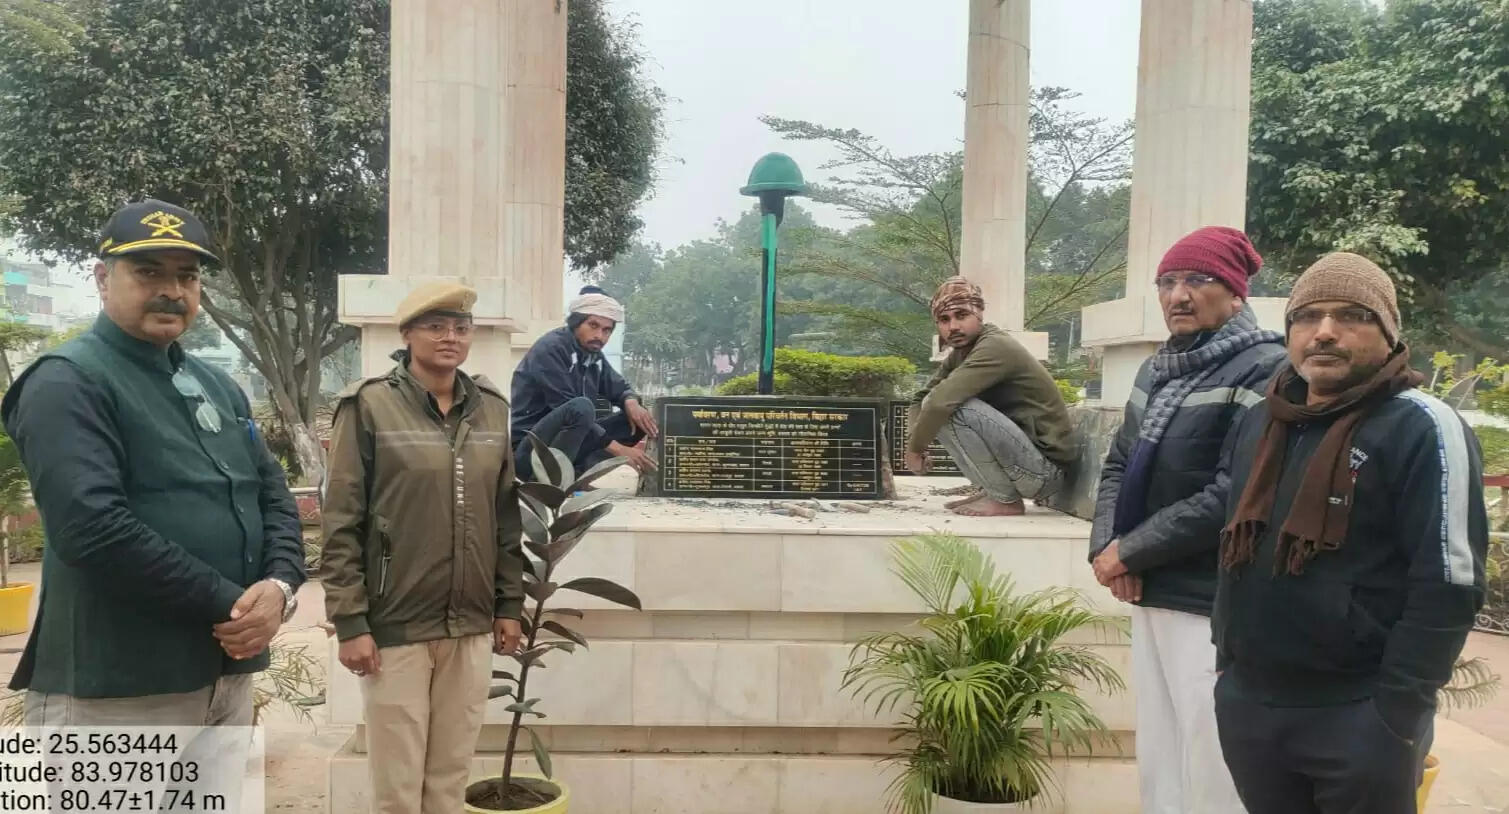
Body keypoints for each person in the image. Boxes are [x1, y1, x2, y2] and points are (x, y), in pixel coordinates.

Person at [0, 198, 306, 726]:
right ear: (102, 279)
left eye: (187, 276)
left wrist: (280, 587)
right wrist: (234, 606)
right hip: (117, 688)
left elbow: (271, 495)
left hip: (226, 677)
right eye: (148, 272)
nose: (172, 290)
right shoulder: (67, 380)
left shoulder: (218, 385)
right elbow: (91, 528)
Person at [1212, 252, 1489, 814]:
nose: (1324, 332)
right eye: (1306, 317)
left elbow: (1451, 581)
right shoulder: (1261, 422)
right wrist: (1228, 672)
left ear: (1389, 333)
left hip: (1359, 715)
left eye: (1352, 316)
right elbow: (1234, 544)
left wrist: (1396, 712)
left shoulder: (1421, 426)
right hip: (1252, 707)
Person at [1088, 226, 1285, 814]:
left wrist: (1131, 550)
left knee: (1211, 754)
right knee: (1161, 749)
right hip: (1149, 586)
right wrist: (1109, 549)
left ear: (1236, 294)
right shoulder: (1156, 369)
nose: (1179, 295)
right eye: (1167, 281)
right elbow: (1119, 462)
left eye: (1199, 280)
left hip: (1211, 598)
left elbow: (1236, 491)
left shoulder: (1266, 370)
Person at [320, 281, 526, 814]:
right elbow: (341, 520)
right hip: (396, 626)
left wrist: (509, 604)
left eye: (460, 328)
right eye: (435, 326)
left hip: (470, 624)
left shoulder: (492, 409)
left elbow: (505, 516)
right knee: (398, 786)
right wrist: (351, 621)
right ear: (407, 334)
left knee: (449, 780)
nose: (450, 337)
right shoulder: (368, 406)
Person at [905, 276, 1078, 516]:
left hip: (1045, 473)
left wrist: (914, 451)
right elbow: (921, 397)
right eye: (944, 319)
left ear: (979, 314)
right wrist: (914, 441)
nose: (953, 326)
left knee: (952, 407)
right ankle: (992, 490)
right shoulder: (962, 352)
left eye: (961, 315)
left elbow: (939, 402)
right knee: (935, 403)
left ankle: (1004, 499)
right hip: (1026, 466)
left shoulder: (995, 347)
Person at [510, 288, 658, 475]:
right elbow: (569, 408)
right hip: (530, 450)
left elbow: (619, 387)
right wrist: (620, 450)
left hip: (569, 441)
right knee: (581, 408)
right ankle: (553, 480)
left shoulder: (592, 354)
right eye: (593, 326)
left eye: (606, 330)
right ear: (576, 323)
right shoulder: (551, 349)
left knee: (637, 419)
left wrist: (630, 401)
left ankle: (577, 475)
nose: (599, 336)